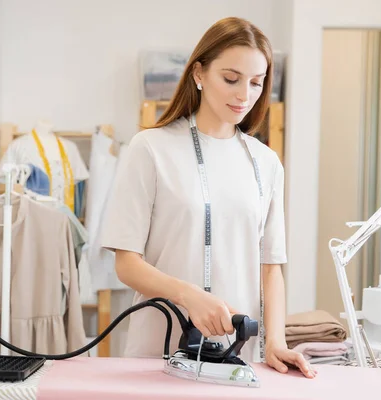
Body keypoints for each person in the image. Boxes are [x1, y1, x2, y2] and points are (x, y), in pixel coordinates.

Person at [100, 17, 315, 379]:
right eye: (231, 79)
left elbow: (271, 266)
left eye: (256, 83)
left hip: (236, 357)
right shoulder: (150, 148)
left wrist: (275, 341)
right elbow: (127, 263)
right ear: (199, 73)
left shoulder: (266, 162)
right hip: (158, 352)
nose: (244, 95)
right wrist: (188, 295)